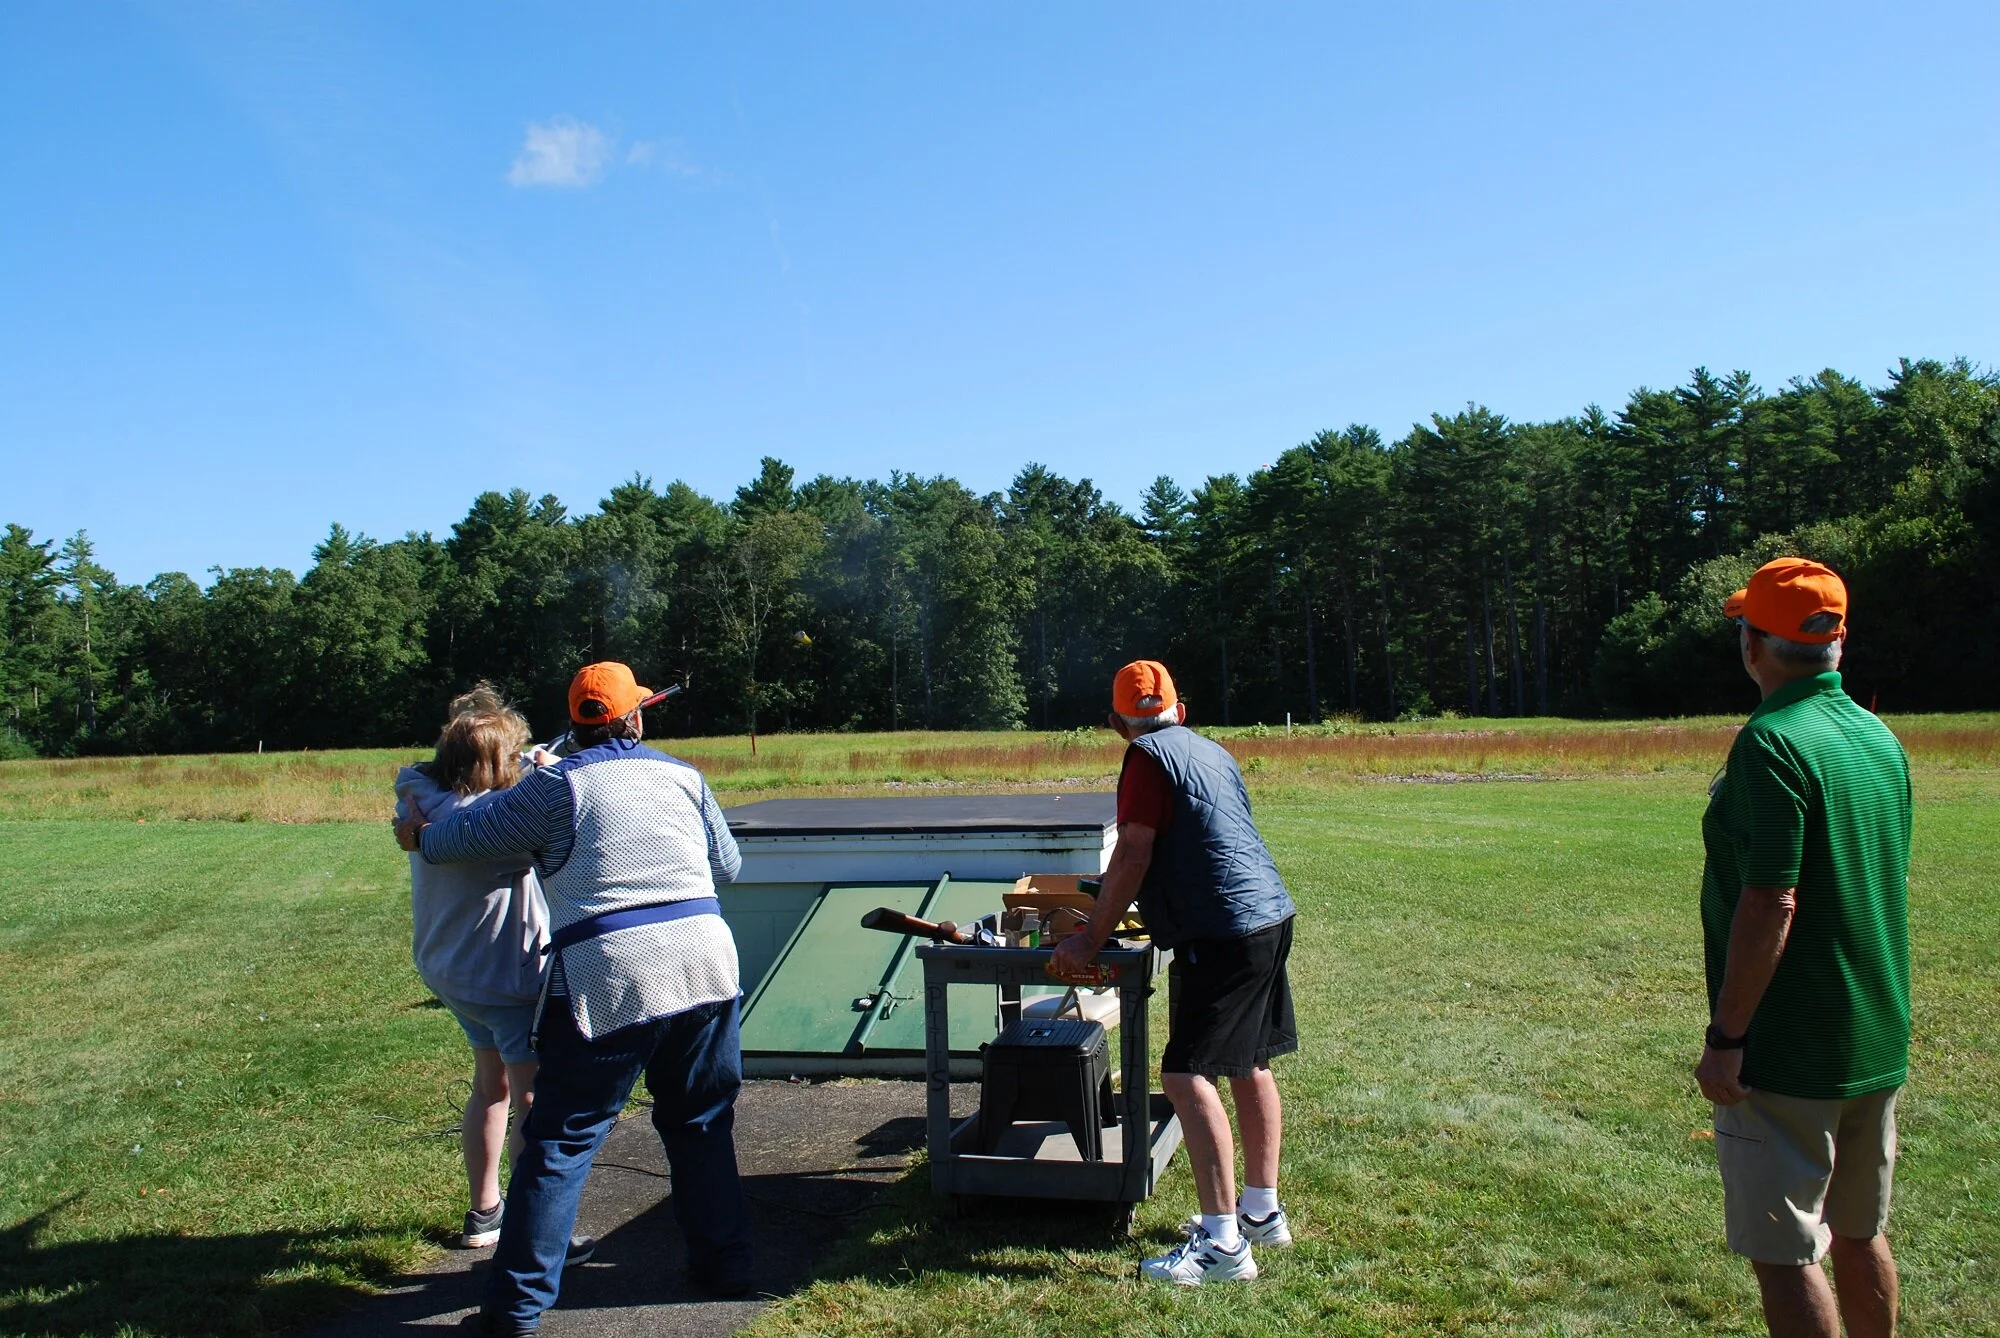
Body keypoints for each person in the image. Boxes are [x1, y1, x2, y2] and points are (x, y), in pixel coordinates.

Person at [395, 662, 750, 1336]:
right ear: (635, 717)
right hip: (707, 963)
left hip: (609, 974)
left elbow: (459, 840)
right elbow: (727, 866)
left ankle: (516, 1310)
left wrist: (418, 833)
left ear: (580, 723)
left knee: (561, 1139)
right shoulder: (684, 777)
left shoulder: (556, 785)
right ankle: (725, 1265)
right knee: (701, 1123)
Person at [1696, 557, 1911, 1338]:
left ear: (1753, 645)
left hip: (1790, 1047)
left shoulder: (1771, 744)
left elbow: (1770, 899)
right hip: (1876, 1034)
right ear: (1837, 645)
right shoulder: (1879, 739)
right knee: (1860, 1230)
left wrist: (1728, 1039)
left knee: (1787, 1253)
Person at [1051, 659, 1298, 1286]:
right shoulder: (1212, 750)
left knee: (1185, 1073)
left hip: (1219, 931)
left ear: (1115, 724)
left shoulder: (1144, 759)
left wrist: (1089, 939)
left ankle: (1222, 1245)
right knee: (1249, 1061)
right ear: (1179, 710)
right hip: (1268, 916)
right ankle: (1262, 1213)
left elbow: (1133, 852)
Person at [394, 685, 549, 1250]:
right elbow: (549, 826)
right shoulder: (490, 823)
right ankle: (537, 1228)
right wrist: (545, 773)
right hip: (504, 977)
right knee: (534, 1097)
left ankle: (485, 1211)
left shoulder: (417, 801)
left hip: (453, 973)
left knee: (492, 1085)